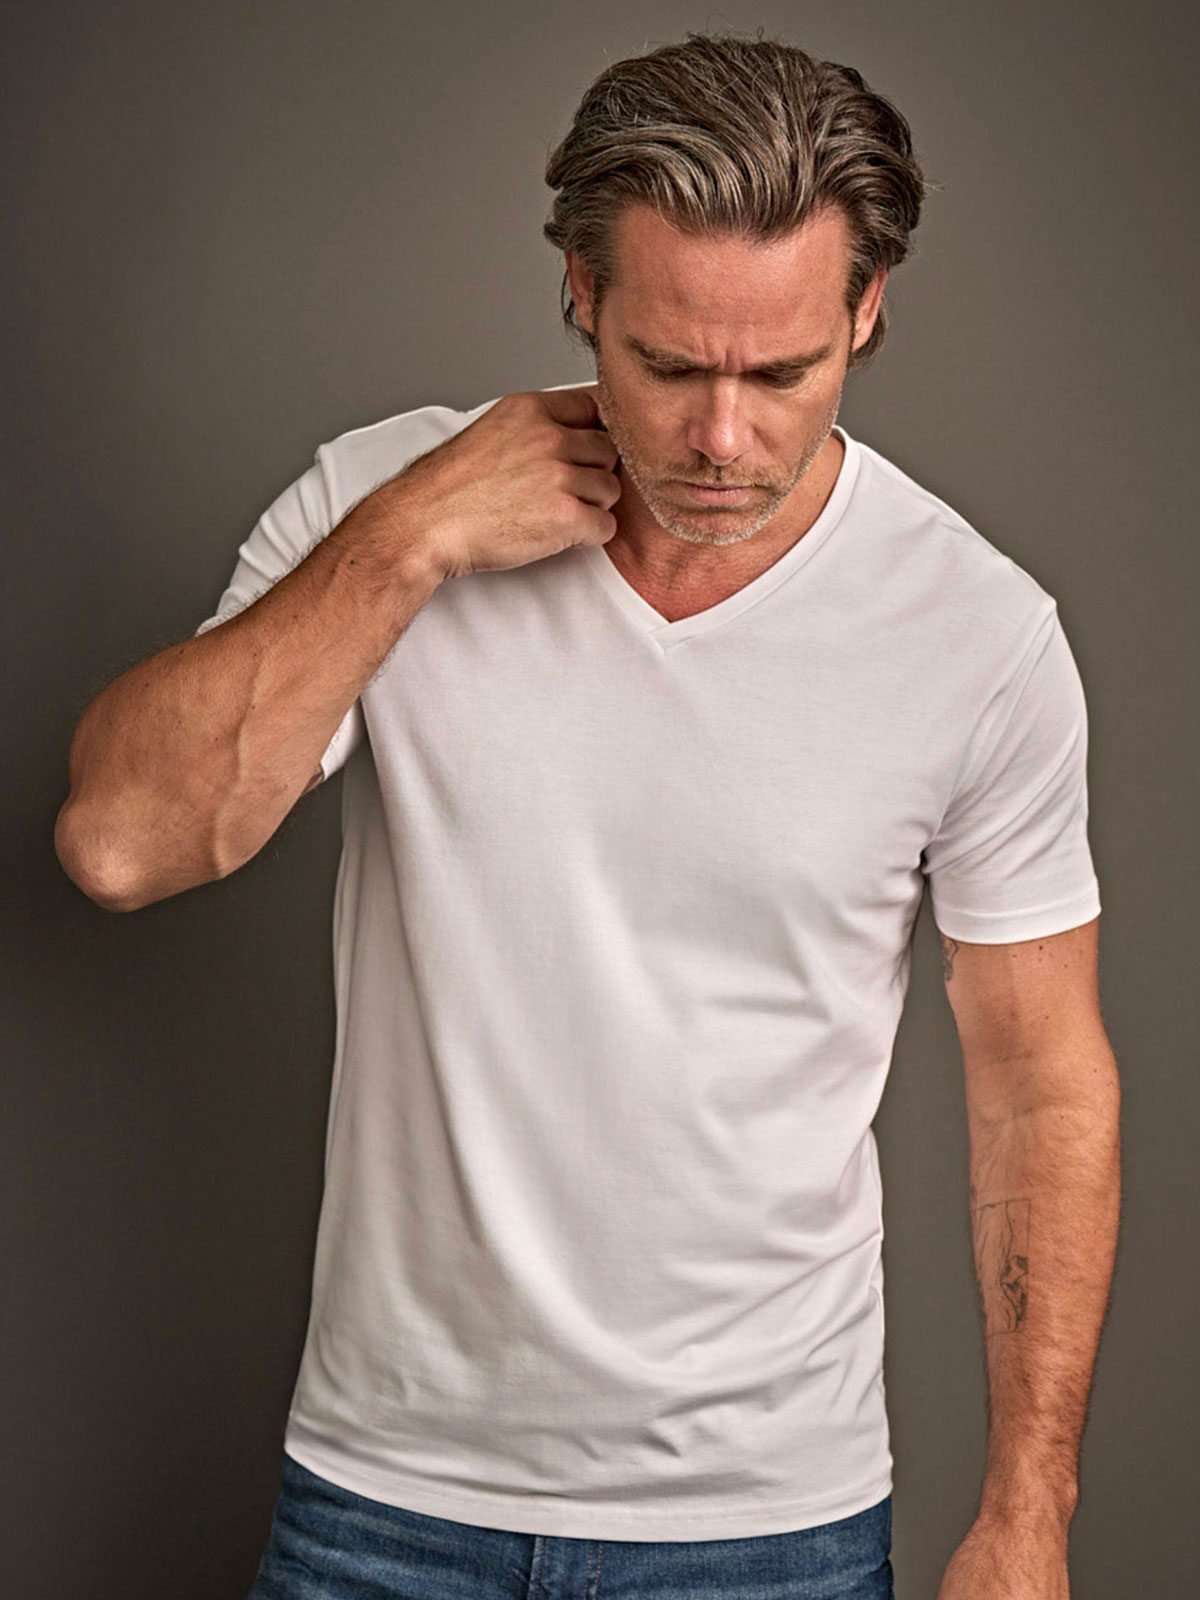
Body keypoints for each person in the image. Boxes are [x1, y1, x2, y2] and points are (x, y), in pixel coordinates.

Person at [55, 29, 1121, 1600]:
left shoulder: (980, 633)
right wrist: (407, 541)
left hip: (771, 1525)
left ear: (866, 313)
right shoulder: (380, 503)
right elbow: (124, 843)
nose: (723, 438)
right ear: (581, 290)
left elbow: (1039, 1084)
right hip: (382, 1502)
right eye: (670, 366)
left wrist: (1032, 1512)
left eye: (784, 373)